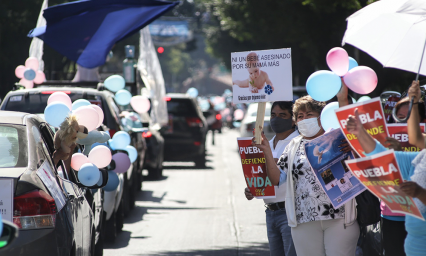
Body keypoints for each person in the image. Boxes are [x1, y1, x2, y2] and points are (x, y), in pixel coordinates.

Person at [253, 96, 359, 256]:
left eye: (309, 114)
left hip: (340, 218)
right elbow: (277, 179)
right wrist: (266, 151)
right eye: (300, 116)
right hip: (304, 219)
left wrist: (354, 145)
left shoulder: (338, 138)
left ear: (321, 116)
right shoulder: (293, 145)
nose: (304, 119)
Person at [345, 81, 426, 256]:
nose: (404, 120)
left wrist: (419, 193)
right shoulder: (414, 158)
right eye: (401, 115)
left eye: (410, 115)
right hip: (396, 222)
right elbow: (378, 154)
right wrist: (360, 132)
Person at [244, 101, 298, 256]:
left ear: (293, 119)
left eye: (282, 115)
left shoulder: (298, 142)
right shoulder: (268, 143)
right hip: (271, 213)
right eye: (273, 115)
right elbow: (264, 177)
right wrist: (254, 188)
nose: (276, 119)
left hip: (290, 213)